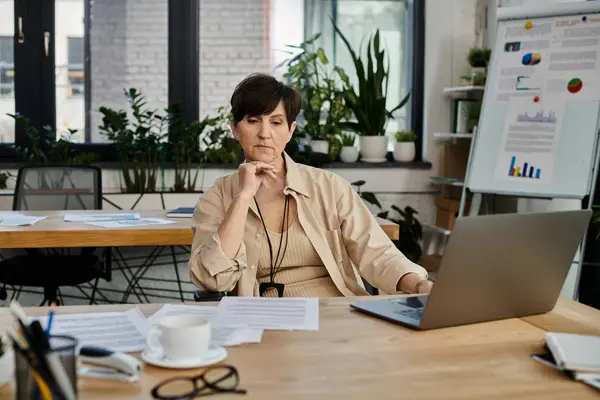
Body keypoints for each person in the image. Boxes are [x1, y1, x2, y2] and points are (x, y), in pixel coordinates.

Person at [189, 73, 433, 298]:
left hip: (337, 313)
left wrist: (421, 286)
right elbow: (212, 279)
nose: (265, 133)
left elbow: (377, 253)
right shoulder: (219, 196)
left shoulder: (329, 187)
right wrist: (243, 197)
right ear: (235, 129)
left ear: (290, 130)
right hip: (263, 322)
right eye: (253, 121)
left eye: (276, 122)